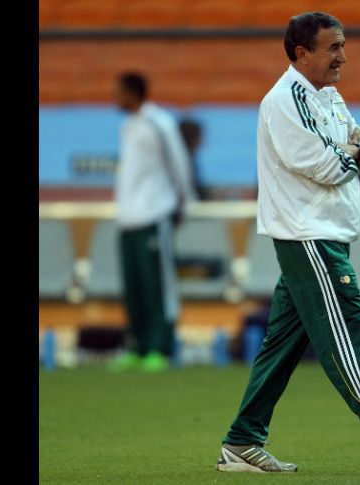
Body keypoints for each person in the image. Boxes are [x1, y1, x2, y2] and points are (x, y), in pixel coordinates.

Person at [215, 12, 360, 475]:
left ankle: (242, 441)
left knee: (280, 346)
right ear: (302, 54)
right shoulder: (284, 101)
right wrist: (355, 152)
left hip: (322, 236)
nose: (343, 56)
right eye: (333, 47)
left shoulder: (328, 98)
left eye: (343, 45)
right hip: (310, 238)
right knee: (352, 332)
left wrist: (357, 152)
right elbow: (326, 165)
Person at [108, 72, 197, 373]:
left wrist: (184, 203)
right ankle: (138, 346)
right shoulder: (127, 126)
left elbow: (179, 164)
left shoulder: (159, 123)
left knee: (157, 286)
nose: (116, 98)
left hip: (155, 215)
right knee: (134, 288)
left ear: (135, 93)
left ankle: (160, 347)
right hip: (128, 219)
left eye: (120, 92)